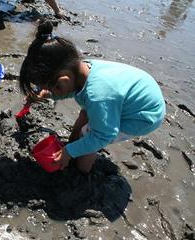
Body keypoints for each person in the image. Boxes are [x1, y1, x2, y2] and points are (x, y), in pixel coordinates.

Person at [19, 20, 166, 173]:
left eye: (50, 88)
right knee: (85, 114)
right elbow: (72, 90)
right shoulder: (79, 69)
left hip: (143, 116)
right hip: (138, 94)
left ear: (62, 81)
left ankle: (82, 170)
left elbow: (104, 135)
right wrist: (48, 94)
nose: (49, 91)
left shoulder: (98, 95)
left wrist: (69, 152)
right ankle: (75, 144)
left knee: (89, 133)